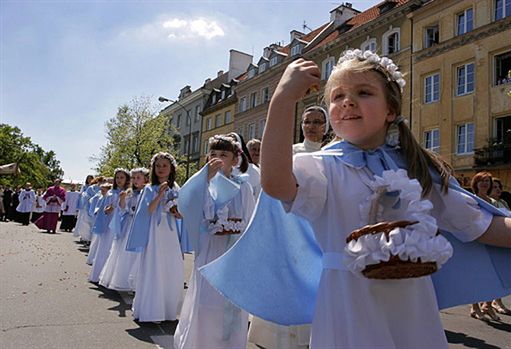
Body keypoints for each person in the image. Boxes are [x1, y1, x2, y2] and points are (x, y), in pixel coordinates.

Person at [199, 50, 511, 349]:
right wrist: (282, 100)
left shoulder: (417, 168)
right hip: (348, 302)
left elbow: (481, 225)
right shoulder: (322, 167)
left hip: (412, 304)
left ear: (391, 110)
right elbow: (276, 183)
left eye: (363, 92)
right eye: (337, 96)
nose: (348, 101)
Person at [175, 135, 256, 349]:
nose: (217, 159)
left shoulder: (244, 187)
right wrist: (205, 181)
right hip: (211, 250)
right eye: (213, 154)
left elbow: (249, 219)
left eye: (223, 155)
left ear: (235, 159)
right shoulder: (203, 185)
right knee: (208, 301)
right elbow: (191, 207)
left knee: (231, 305)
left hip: (234, 252)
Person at [126, 153, 183, 323]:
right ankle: (152, 310)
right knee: (154, 265)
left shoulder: (177, 188)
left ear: (171, 168)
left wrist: (178, 211)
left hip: (170, 231)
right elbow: (148, 211)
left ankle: (168, 309)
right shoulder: (149, 188)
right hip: (155, 231)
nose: (161, 169)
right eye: (157, 166)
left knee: (171, 265)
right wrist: (159, 195)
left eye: (164, 165)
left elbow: (181, 211)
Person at [100, 167, 148, 291]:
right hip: (129, 224)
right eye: (133, 178)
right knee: (125, 252)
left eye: (138, 178)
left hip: (141, 225)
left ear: (145, 179)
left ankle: (136, 280)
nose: (135, 180)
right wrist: (122, 200)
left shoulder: (147, 192)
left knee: (138, 254)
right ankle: (123, 280)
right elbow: (123, 209)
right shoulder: (129, 193)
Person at [89, 169, 130, 283]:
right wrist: (108, 209)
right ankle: (98, 275)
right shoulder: (110, 193)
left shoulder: (128, 193)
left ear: (127, 179)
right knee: (104, 248)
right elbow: (103, 209)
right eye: (117, 178)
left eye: (122, 177)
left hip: (122, 223)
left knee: (116, 251)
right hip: (109, 224)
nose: (119, 180)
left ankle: (111, 279)